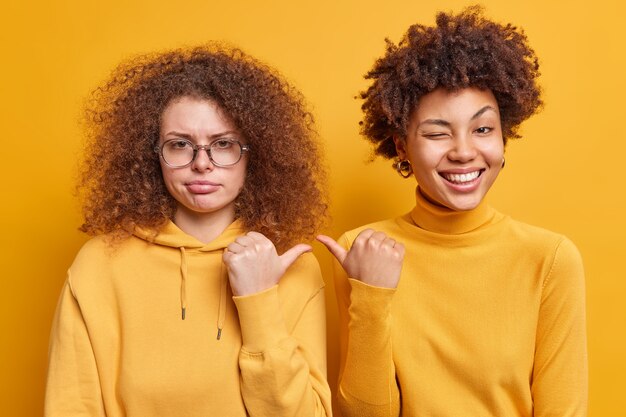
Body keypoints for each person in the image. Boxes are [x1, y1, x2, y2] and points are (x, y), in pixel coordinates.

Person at [318, 6, 587, 417]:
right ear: (402, 146)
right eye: (437, 133)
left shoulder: (549, 259)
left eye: (482, 129)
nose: (463, 152)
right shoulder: (362, 250)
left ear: (503, 137)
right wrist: (371, 298)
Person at [45, 44, 332, 417]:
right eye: (180, 145)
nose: (201, 164)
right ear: (151, 154)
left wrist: (259, 300)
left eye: (223, 144)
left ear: (255, 155)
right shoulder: (100, 265)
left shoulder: (290, 265)